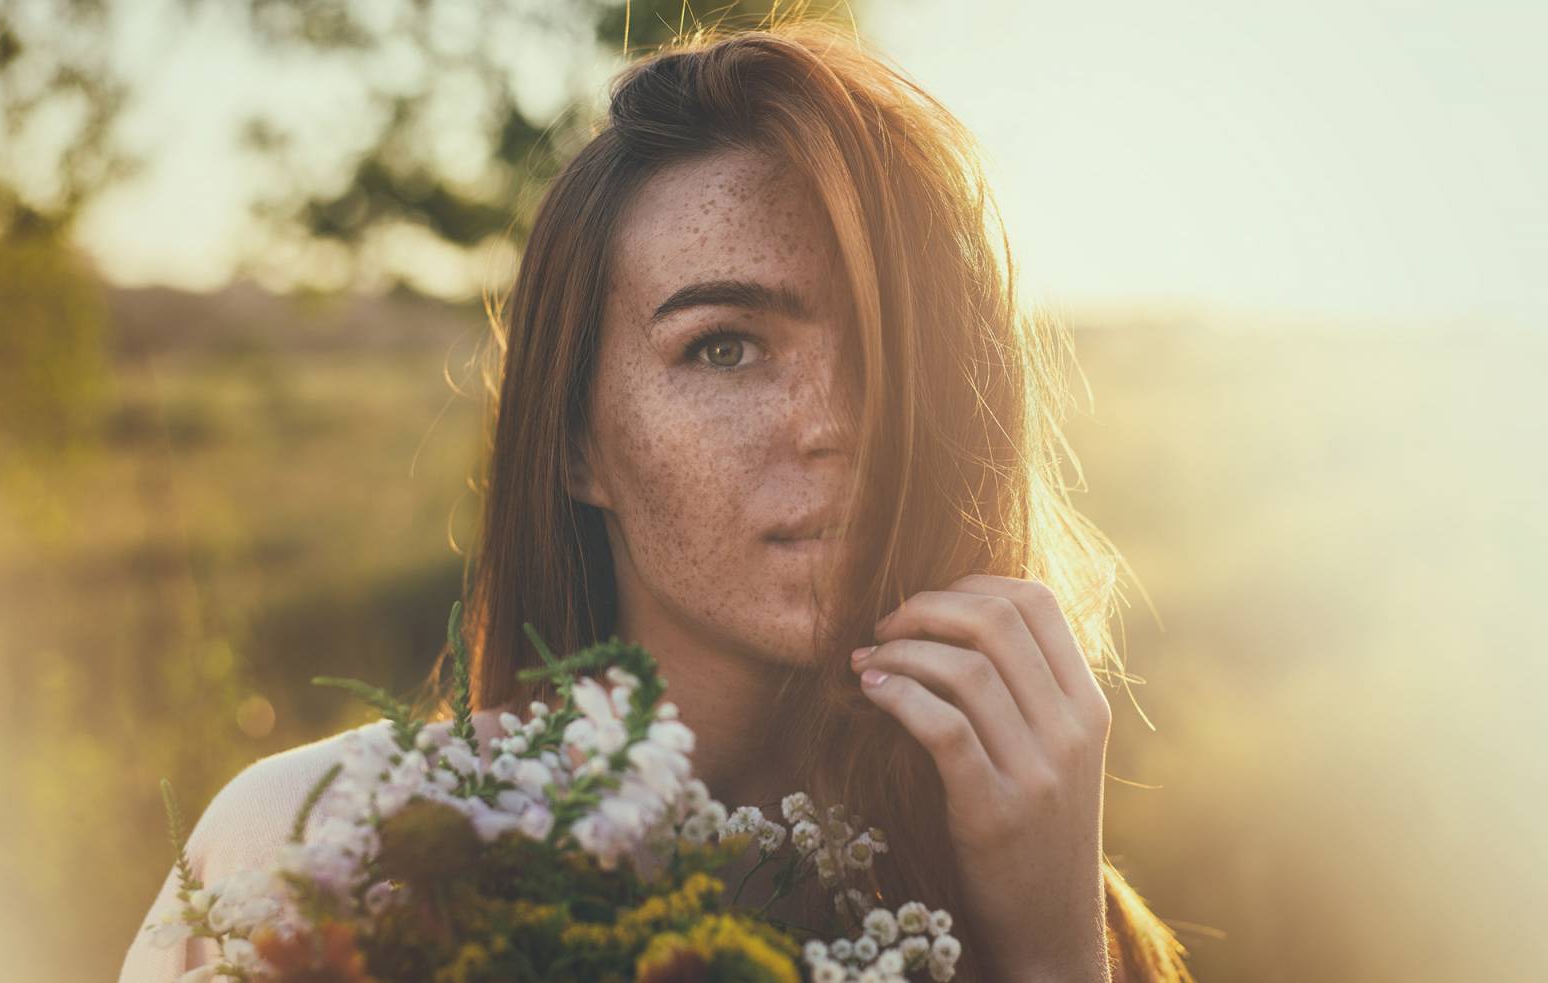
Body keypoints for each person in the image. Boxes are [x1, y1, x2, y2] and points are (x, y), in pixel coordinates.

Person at [121, 17, 1196, 983]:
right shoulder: (334, 846)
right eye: (722, 347)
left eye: (887, 347)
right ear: (577, 438)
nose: (835, 421)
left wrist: (1054, 953)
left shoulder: (1054, 899)